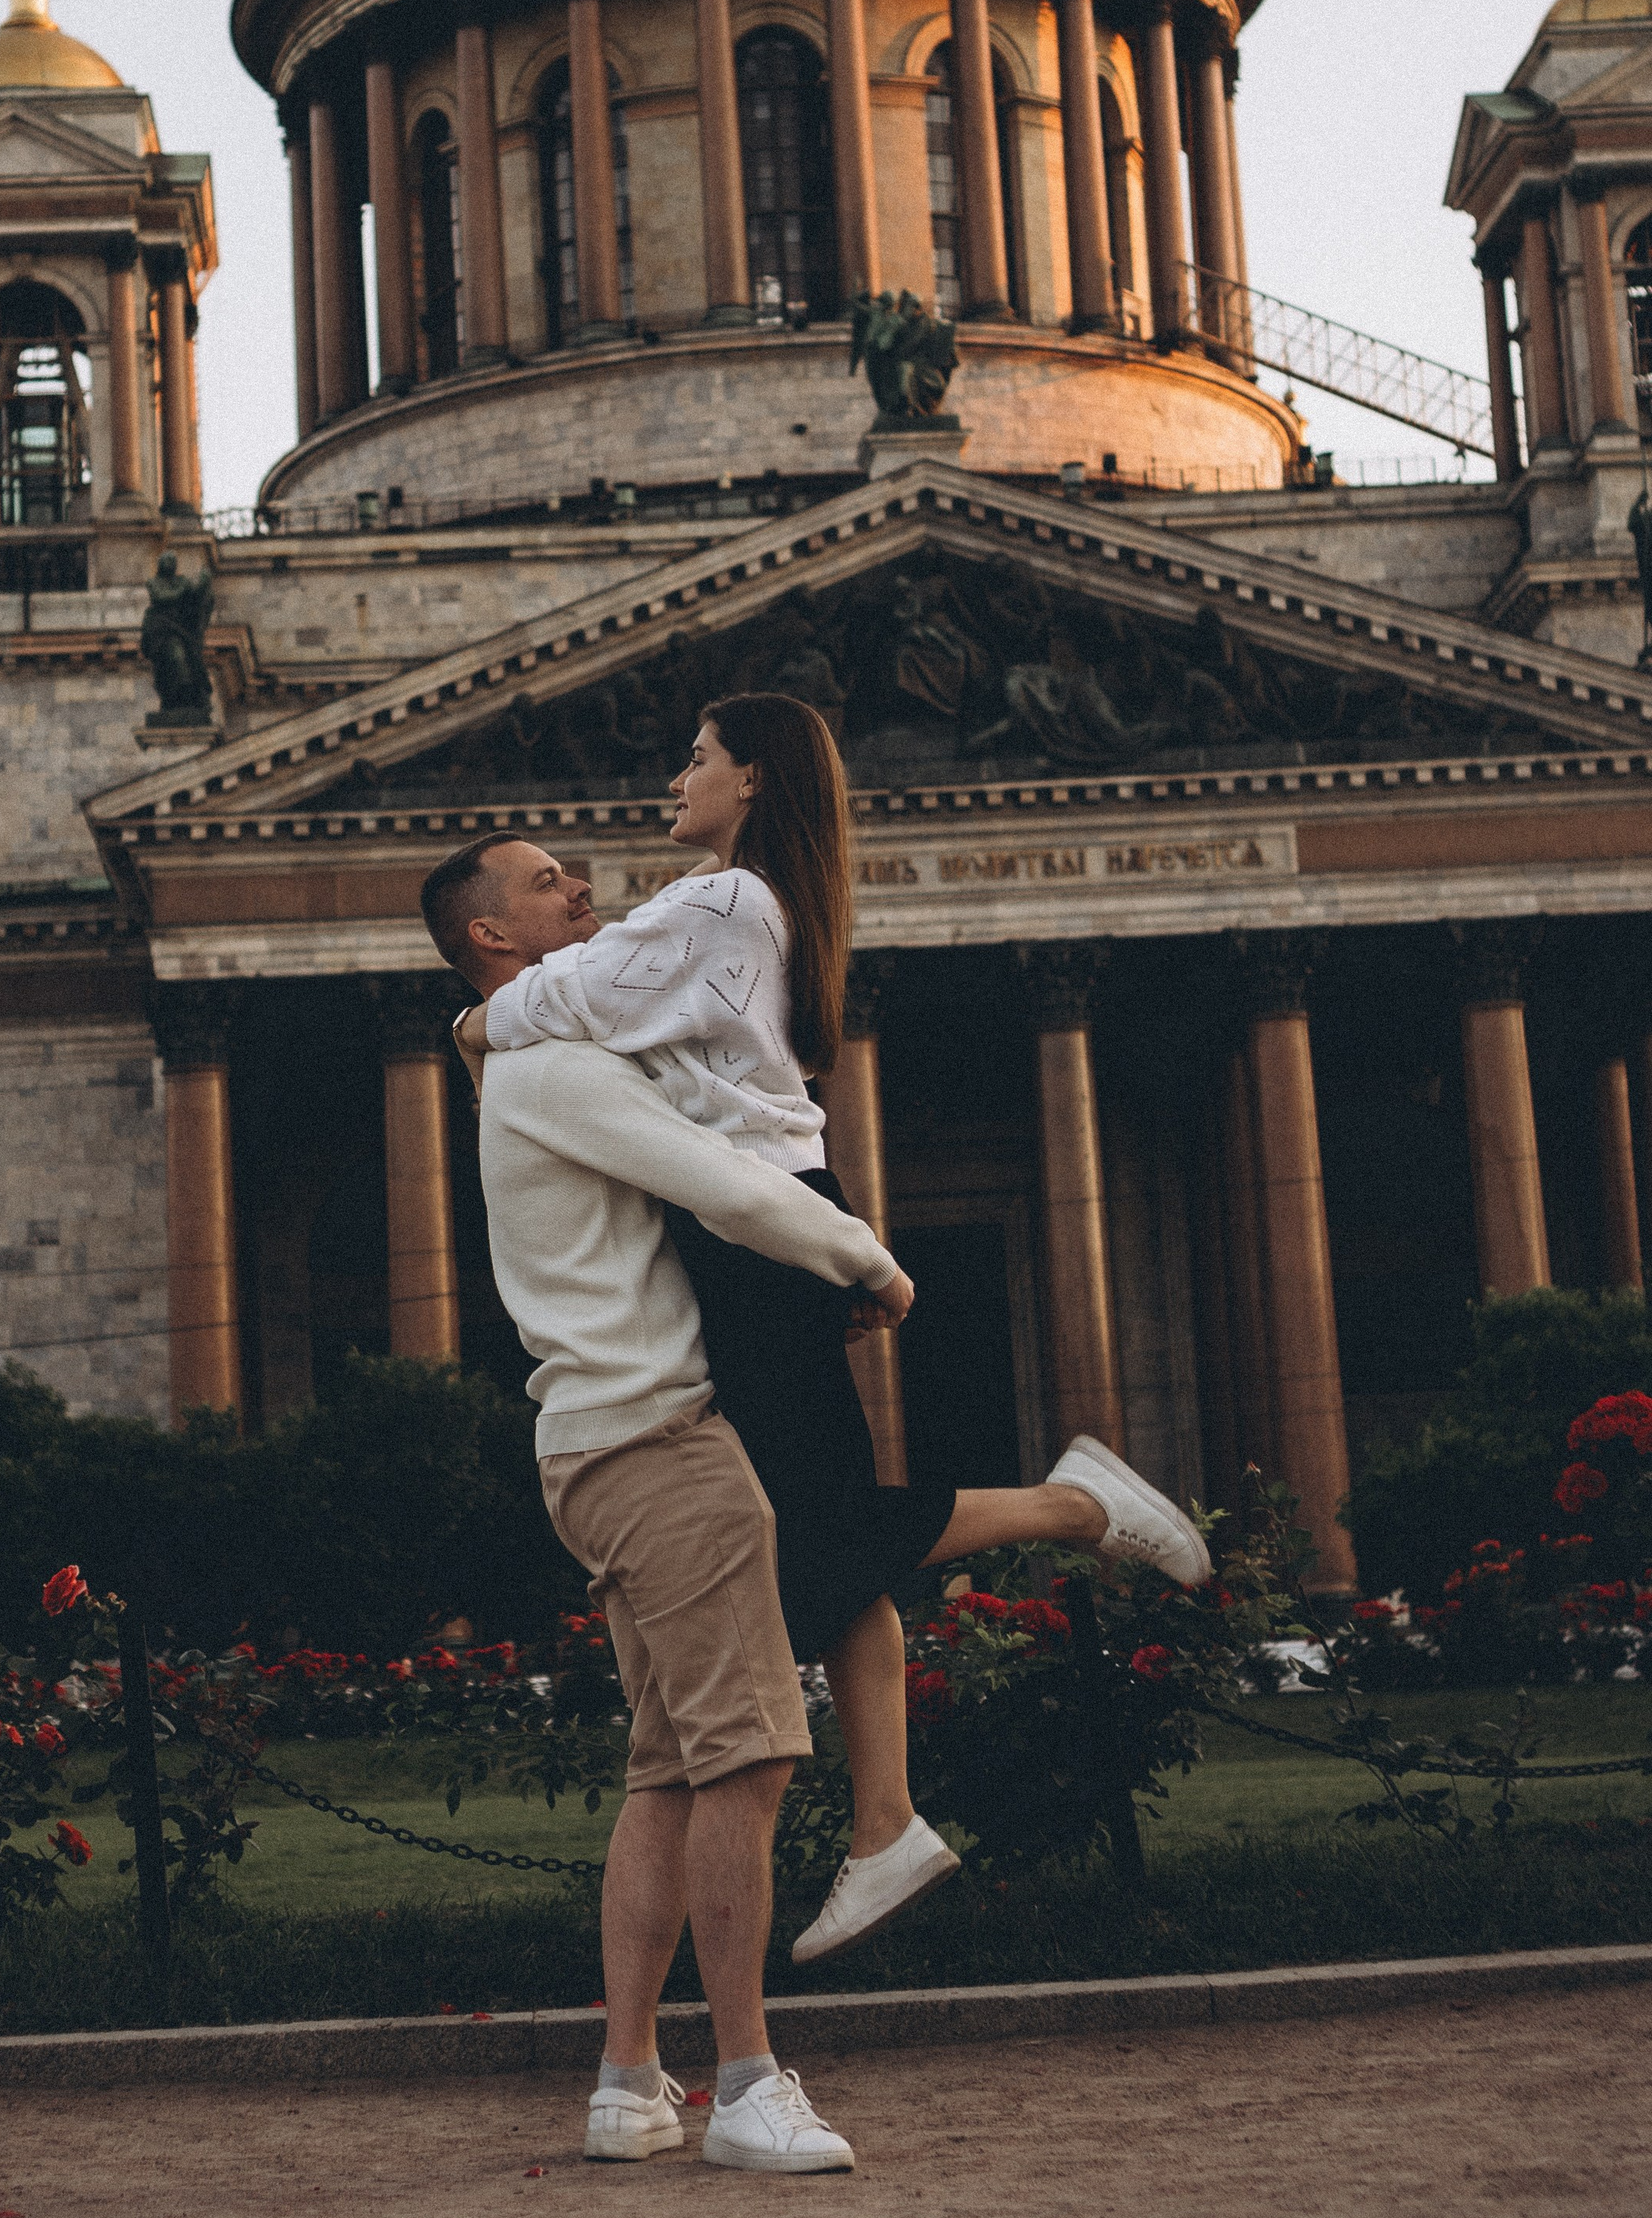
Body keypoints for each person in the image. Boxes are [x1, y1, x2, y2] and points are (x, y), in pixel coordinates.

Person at [459, 695, 1211, 1966]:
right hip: (767, 1223)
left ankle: (1074, 1508)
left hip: (766, 1227)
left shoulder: (722, 901)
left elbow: (566, 996)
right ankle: (886, 1827)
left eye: (695, 754)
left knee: (817, 1526)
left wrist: (474, 1022)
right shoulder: (735, 901)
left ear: (753, 777)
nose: (676, 775)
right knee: (823, 1519)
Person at [421, 830, 902, 2174]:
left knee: (672, 1771)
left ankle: (629, 2083)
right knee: (751, 1759)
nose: (582, 890)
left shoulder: (525, 1068)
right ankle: (747, 2082)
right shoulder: (556, 1069)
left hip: (593, 1449)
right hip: (665, 1450)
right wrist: (866, 1260)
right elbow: (731, 1188)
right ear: (492, 941)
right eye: (546, 883)